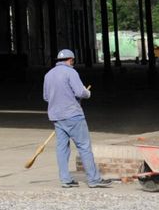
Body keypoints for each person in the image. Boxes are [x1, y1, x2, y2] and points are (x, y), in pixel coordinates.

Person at [42, 48, 112, 189]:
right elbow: (80, 92)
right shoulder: (71, 72)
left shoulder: (48, 75)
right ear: (71, 60)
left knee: (62, 149)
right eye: (73, 61)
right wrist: (87, 93)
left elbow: (46, 97)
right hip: (73, 115)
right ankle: (93, 179)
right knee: (84, 146)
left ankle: (65, 179)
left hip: (57, 117)